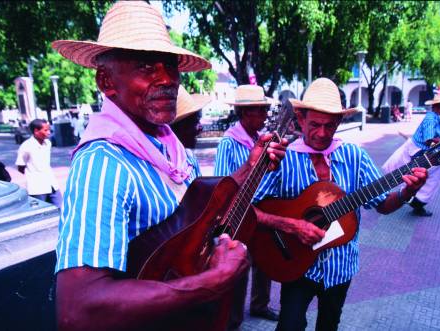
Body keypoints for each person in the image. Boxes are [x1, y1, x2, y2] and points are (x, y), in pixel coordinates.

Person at [50, 2, 287, 330]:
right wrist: (212, 281)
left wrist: (251, 168)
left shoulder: (174, 150)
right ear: (106, 81)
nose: (167, 79)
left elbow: (196, 215)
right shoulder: (102, 165)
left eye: (170, 65)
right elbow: (77, 310)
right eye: (146, 66)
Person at [252, 78, 427, 331]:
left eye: (330, 125)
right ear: (300, 119)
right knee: (289, 326)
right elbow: (251, 211)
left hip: (340, 267)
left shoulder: (354, 156)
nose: (322, 133)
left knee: (329, 325)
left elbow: (383, 205)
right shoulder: (282, 158)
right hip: (295, 262)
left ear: (339, 122)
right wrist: (292, 226)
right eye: (315, 124)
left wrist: (407, 192)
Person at [214, 84, 279, 330]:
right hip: (239, 216)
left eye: (264, 110)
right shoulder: (229, 143)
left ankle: (260, 303)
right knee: (239, 265)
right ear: (244, 113)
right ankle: (232, 319)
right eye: (260, 111)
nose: (264, 116)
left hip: (261, 212)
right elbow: (222, 182)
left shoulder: (257, 138)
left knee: (264, 260)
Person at [383, 93, 440, 217]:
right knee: (419, 178)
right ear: (439, 106)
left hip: (420, 150)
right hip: (418, 151)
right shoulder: (431, 118)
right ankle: (415, 202)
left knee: (420, 177)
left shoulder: (435, 118)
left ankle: (416, 201)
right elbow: (429, 139)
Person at [15, 118, 62, 208]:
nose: (48, 132)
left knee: (60, 207)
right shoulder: (26, 146)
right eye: (45, 130)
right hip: (37, 187)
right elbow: (21, 166)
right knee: (41, 211)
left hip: (52, 184)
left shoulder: (48, 143)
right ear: (36, 131)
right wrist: (33, 173)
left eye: (49, 130)